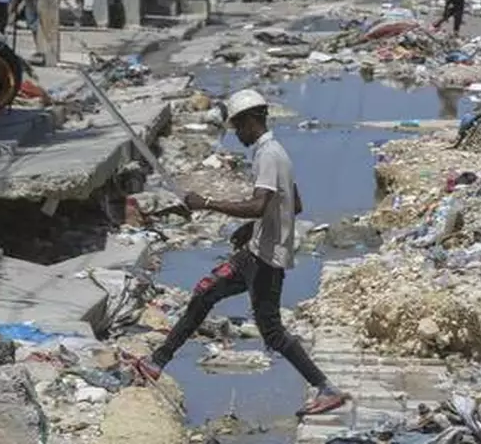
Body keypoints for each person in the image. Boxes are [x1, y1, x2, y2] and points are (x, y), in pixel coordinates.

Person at [132, 89, 349, 417]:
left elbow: (260, 204)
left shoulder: (268, 155)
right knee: (206, 291)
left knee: (272, 330)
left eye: (238, 127)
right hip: (255, 250)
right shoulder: (276, 152)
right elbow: (294, 204)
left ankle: (326, 388)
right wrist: (252, 229)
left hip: (266, 259)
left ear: (251, 120)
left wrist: (205, 202)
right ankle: (157, 362)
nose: (237, 133)